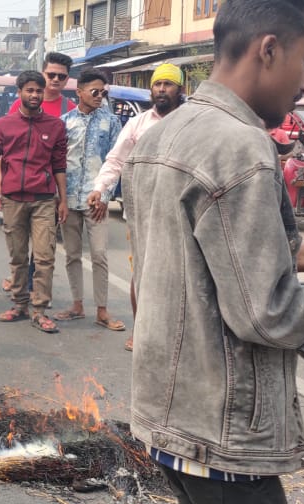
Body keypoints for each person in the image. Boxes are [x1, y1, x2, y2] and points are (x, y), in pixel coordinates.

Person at [123, 0, 304, 504]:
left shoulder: (159, 136)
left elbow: (178, 262)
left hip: (168, 414)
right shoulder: (241, 146)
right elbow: (267, 314)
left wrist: (289, 253)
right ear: (269, 49)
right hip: (223, 432)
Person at [86, 62, 186, 352]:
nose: (162, 89)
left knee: (180, 275)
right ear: (152, 89)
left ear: (180, 89)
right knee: (141, 271)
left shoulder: (192, 122)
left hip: (181, 211)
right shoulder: (138, 124)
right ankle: (140, 329)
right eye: (158, 84)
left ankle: (175, 336)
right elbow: (116, 160)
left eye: (168, 84)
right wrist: (99, 188)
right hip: (142, 212)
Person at [0, 70, 68, 334]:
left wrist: (63, 200)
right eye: (29, 90)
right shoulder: (4, 125)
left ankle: (40, 310)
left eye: (38, 90)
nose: (34, 95)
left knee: (45, 257)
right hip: (12, 200)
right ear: (20, 93)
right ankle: (20, 305)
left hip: (44, 200)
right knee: (18, 257)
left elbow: (59, 166)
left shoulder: (55, 126)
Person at [53, 69, 124, 332]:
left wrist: (106, 197)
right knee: (72, 254)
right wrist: (60, 198)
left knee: (99, 255)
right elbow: (58, 163)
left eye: (104, 92)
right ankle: (77, 305)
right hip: (69, 199)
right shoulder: (64, 122)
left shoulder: (112, 123)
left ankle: (102, 311)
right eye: (95, 91)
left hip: (97, 202)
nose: (100, 96)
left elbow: (115, 163)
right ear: (79, 92)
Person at [8, 52, 76, 117]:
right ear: (42, 75)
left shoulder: (72, 110)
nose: (56, 79)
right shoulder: (20, 105)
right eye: (51, 75)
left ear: (67, 79)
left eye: (61, 76)